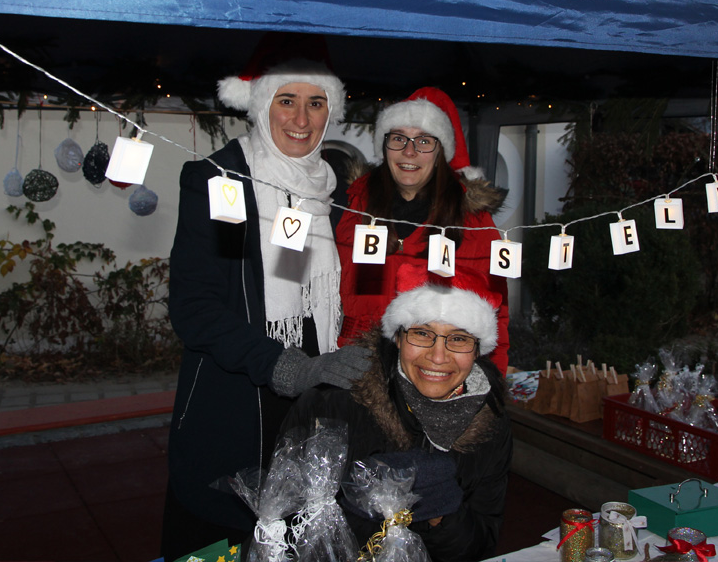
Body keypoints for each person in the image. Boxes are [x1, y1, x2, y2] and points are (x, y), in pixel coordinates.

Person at [161, 43, 371, 560]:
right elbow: (195, 307)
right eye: (286, 100)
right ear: (260, 105)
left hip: (316, 405)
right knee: (226, 543)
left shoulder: (337, 191)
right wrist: (283, 366)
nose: (301, 118)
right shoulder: (220, 180)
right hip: (237, 407)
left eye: (316, 103)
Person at [284, 265, 512, 562]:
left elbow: (480, 547)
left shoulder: (490, 425)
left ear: (477, 349)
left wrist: (442, 514)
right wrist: (362, 507)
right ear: (398, 338)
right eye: (422, 333)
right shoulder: (333, 407)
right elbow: (287, 532)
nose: (438, 356)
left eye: (458, 339)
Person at [336, 87, 510, 374]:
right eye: (399, 138)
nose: (409, 151)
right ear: (384, 144)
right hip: (357, 369)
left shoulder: (474, 223)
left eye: (424, 141)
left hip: (435, 373)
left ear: (440, 151)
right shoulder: (352, 206)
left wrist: (492, 386)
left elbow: (497, 315)